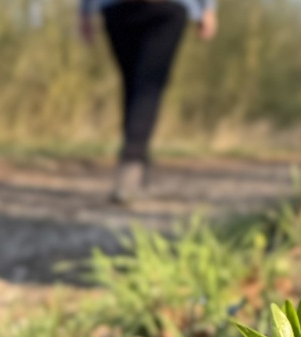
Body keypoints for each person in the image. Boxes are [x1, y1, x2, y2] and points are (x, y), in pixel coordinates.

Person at [80, 0, 218, 204]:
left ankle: (138, 169)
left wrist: (84, 11)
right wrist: (208, 8)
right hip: (166, 7)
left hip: (117, 7)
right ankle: (131, 166)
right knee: (148, 85)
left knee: (134, 84)